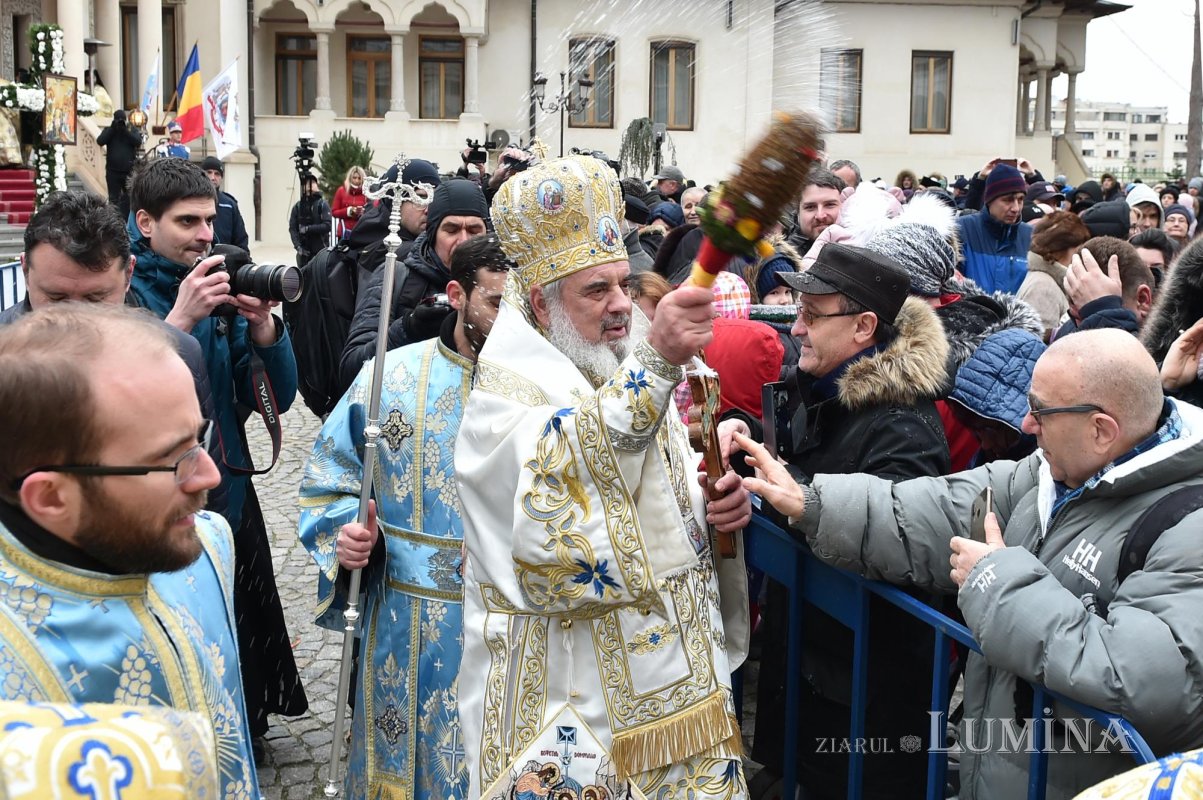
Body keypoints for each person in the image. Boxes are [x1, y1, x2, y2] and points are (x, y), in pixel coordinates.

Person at [737, 327, 1203, 800]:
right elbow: (933, 510)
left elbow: (1147, 684)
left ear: (1102, 430)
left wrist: (996, 584)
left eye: (1041, 410)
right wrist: (812, 501)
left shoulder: (1189, 528)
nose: (1025, 424)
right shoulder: (1050, 472)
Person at [455, 154, 752, 797]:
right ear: (540, 302)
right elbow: (564, 480)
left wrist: (712, 509)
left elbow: (651, 503)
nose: (622, 305)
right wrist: (659, 360)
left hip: (679, 682)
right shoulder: (504, 399)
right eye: (596, 290)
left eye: (624, 282)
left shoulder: (616, 361)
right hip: (570, 699)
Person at [0, 303, 260, 799]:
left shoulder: (207, 543)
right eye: (172, 459)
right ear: (52, 497)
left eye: (198, 438)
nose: (208, 476)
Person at [733, 242, 951, 800]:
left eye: (811, 315)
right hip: (817, 675)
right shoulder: (827, 390)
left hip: (860, 706)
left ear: (864, 328)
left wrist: (801, 501)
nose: (797, 329)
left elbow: (901, 544)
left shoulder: (901, 426)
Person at [298, 234, 513, 799]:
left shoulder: (544, 389)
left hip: (513, 622)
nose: (509, 321)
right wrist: (347, 534)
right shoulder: (388, 379)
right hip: (403, 617)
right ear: (456, 295)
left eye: (520, 306)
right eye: (494, 303)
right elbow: (330, 479)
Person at [126, 157, 308, 743]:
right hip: (159, 494)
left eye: (209, 219)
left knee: (239, 612)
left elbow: (272, 401)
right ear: (145, 224)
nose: (206, 234)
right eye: (188, 222)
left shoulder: (221, 280)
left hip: (226, 481)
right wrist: (180, 320)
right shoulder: (127, 290)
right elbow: (128, 396)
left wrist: (264, 333)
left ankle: (247, 723)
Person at [0, 189, 227, 517]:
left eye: (96, 299)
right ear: (25, 270)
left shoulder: (178, 352)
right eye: (56, 298)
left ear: (128, 274)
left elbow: (207, 493)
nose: (76, 318)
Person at [337, 177, 487, 395]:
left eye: (474, 230)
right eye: (452, 229)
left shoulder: (502, 287)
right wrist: (407, 329)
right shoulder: (394, 277)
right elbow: (351, 370)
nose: (463, 240)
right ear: (433, 234)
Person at [1056, 237, 1156, 338]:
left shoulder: (1169, 345)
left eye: (1091, 316)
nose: (1082, 326)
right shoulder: (1067, 333)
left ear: (1142, 300)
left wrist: (1105, 315)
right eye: (1076, 317)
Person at [957, 163, 1033, 293]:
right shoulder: (962, 230)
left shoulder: (1031, 236)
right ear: (989, 200)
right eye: (1007, 200)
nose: (1015, 208)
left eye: (1020, 200)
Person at [1018, 210, 1091, 337]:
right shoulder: (1043, 287)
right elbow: (1039, 343)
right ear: (1059, 249)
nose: (1080, 257)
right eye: (1077, 249)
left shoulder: (1046, 279)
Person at [784, 168, 845, 255]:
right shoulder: (783, 262)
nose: (820, 216)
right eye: (810, 207)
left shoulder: (866, 256)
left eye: (829, 205)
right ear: (798, 214)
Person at [96, 108, 142, 219]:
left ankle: (129, 222)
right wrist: (113, 128)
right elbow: (100, 141)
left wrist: (125, 131)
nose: (120, 122)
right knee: (113, 199)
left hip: (128, 171)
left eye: (122, 120)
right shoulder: (110, 130)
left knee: (130, 199)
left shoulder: (131, 129)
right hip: (113, 172)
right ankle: (113, 222)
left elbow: (138, 142)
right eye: (118, 119)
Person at [200, 156, 249, 251]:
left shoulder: (229, 205)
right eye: (209, 172)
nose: (212, 177)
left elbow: (241, 239)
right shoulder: (191, 202)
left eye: (217, 174)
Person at [288, 174, 332, 267]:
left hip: (320, 252)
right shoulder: (298, 206)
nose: (309, 185)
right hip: (303, 253)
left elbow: (327, 226)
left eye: (312, 183)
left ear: (317, 185)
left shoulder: (322, 204)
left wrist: (308, 229)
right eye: (306, 183)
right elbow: (293, 229)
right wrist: (298, 246)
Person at [332, 165, 369, 236]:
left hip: (360, 232)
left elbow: (371, 212)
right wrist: (349, 211)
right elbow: (334, 212)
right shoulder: (341, 191)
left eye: (359, 178)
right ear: (350, 178)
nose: (357, 180)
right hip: (344, 232)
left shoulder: (366, 193)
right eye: (354, 177)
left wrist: (362, 212)